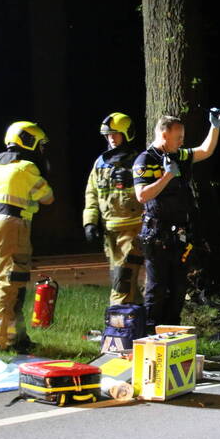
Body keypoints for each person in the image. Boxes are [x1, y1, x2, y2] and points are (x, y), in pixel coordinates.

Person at [133, 108, 220, 329]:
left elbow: (205, 150)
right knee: (157, 287)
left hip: (179, 234)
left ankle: (173, 333)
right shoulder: (145, 160)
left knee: (179, 287)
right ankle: (150, 333)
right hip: (156, 235)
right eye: (178, 137)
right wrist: (167, 176)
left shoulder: (178, 155)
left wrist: (215, 127)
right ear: (164, 135)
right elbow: (142, 195)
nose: (182, 141)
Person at [0, 121, 54, 352]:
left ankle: (17, 337)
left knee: (5, 284)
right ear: (29, 140)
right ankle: (0, 341)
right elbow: (47, 197)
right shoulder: (25, 168)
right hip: (13, 227)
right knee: (11, 285)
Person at [83, 112, 144, 305]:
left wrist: (133, 179)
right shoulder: (100, 162)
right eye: (108, 135)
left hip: (132, 229)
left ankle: (117, 325)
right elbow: (92, 194)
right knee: (124, 281)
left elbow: (151, 191)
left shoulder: (139, 161)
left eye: (115, 134)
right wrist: (90, 223)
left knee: (122, 282)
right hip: (109, 233)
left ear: (127, 134)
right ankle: (136, 322)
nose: (111, 138)